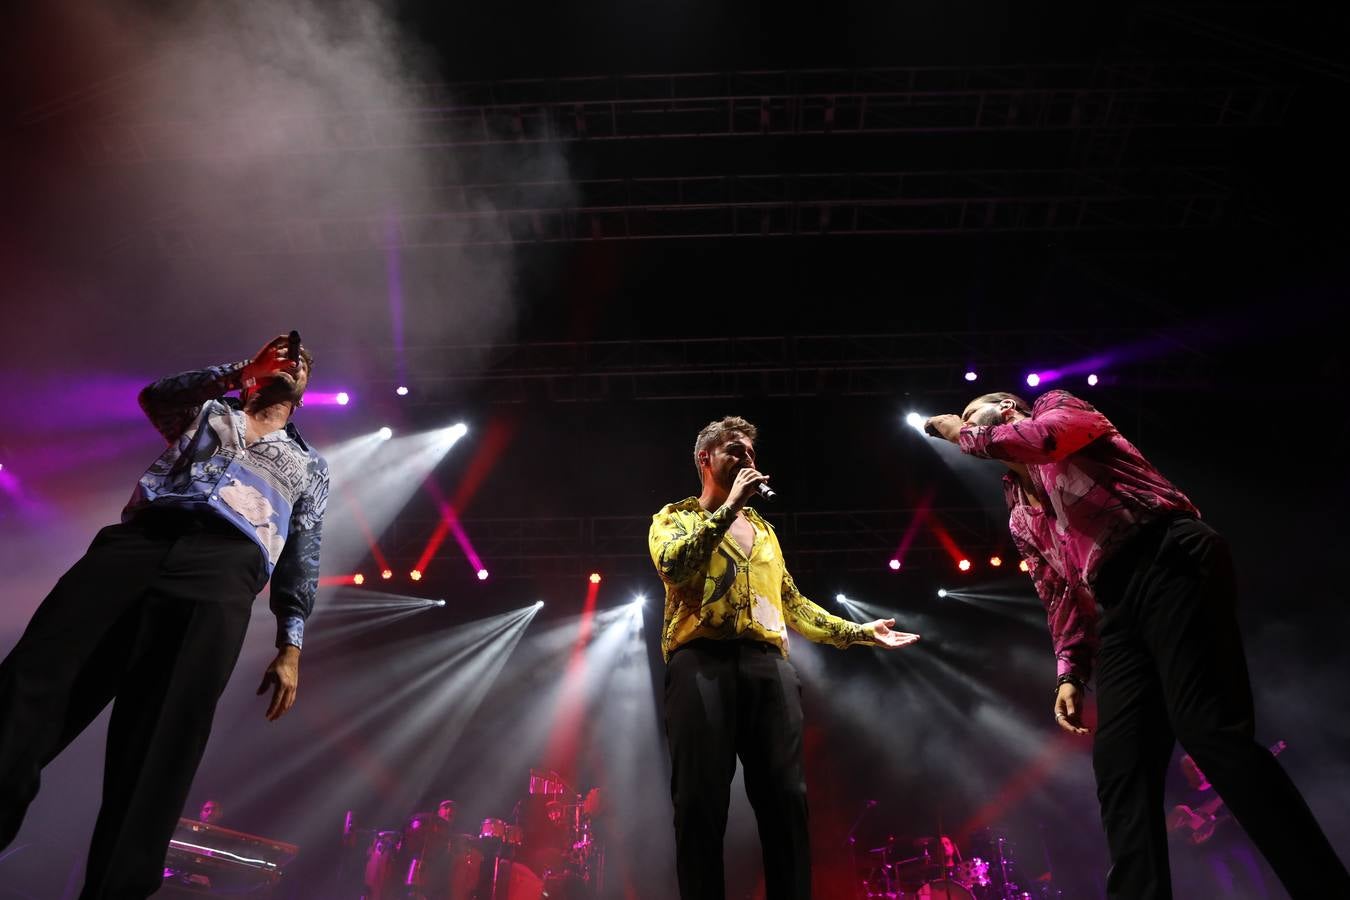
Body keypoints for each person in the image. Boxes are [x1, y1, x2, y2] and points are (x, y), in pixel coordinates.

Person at [925, 390, 1348, 899]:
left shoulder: (1054, 408)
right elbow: (1057, 591)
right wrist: (1070, 671)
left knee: (1209, 731)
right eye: (964, 421)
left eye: (973, 414)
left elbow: (1046, 440)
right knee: (1120, 760)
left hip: (1169, 555)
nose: (966, 424)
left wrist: (958, 432)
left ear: (1006, 408)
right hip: (1117, 600)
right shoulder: (1017, 511)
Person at [0, 335, 329, 900]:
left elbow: (303, 555)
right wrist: (240, 371)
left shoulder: (311, 466)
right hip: (139, 545)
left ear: (305, 384)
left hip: (224, 572)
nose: (288, 363)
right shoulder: (208, 410)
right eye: (280, 354)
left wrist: (291, 645)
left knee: (162, 741)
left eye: (297, 361)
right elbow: (155, 395)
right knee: (28, 685)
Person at [648, 415, 919, 900]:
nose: (748, 460)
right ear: (704, 458)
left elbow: (791, 603)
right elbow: (675, 565)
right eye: (735, 450)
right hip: (700, 663)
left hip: (768, 668)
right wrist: (730, 506)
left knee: (787, 800)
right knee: (699, 801)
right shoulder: (675, 517)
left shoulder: (766, 533)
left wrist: (859, 632)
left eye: (751, 453)